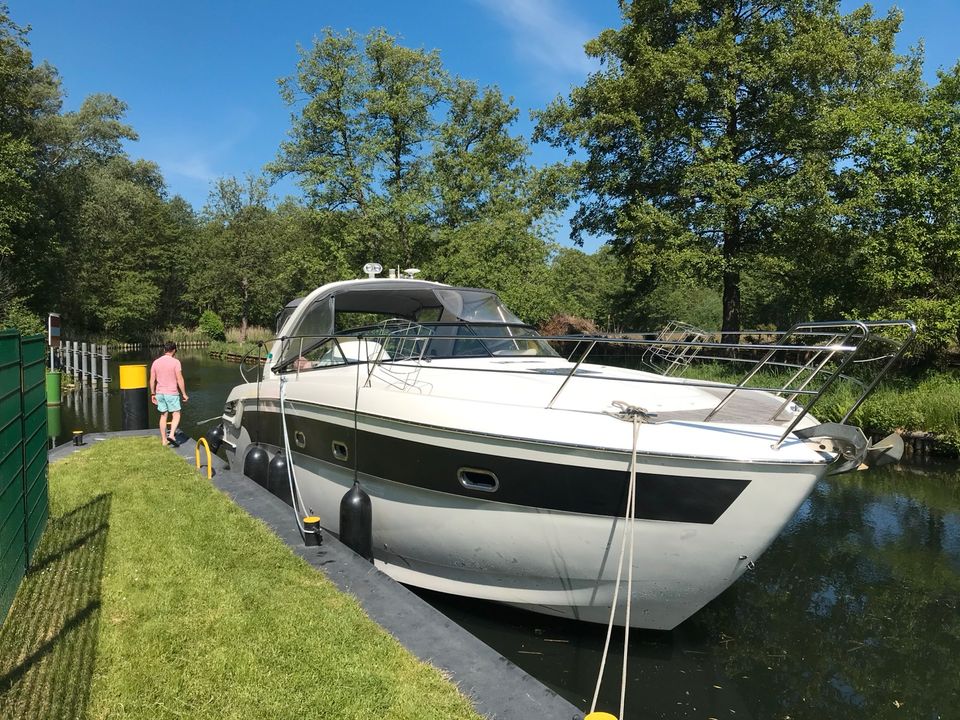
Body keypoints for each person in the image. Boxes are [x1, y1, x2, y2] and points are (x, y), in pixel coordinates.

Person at [149, 341, 189, 447]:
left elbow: (152, 380)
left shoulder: (156, 362)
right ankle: (171, 435)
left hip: (159, 393)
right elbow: (179, 379)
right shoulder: (176, 362)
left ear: (164, 350)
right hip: (171, 393)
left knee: (163, 415)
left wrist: (152, 394)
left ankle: (163, 440)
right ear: (174, 350)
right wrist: (184, 394)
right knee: (176, 414)